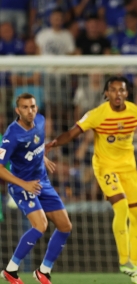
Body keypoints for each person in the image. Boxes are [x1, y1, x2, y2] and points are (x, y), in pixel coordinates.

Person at [46, 77, 137, 284]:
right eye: (113, 90)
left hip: (129, 169)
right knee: (122, 207)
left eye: (121, 90)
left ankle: (134, 266)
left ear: (126, 93)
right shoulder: (97, 114)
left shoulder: (136, 112)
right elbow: (73, 133)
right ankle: (124, 261)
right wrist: (52, 144)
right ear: (106, 93)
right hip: (105, 167)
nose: (117, 94)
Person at [0, 93, 72, 284]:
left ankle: (43, 271)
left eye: (32, 106)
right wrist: (24, 184)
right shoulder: (11, 136)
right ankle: (10, 270)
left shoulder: (40, 121)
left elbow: (35, 146)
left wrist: (43, 157)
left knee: (65, 226)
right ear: (17, 110)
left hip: (42, 182)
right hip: (21, 185)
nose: (30, 111)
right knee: (40, 225)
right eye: (25, 107)